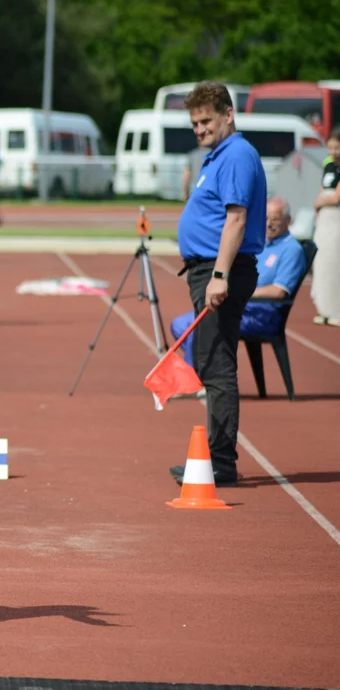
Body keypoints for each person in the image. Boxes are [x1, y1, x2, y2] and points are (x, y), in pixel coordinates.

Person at [169, 81, 266, 489]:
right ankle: (216, 457)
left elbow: (237, 219)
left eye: (206, 120)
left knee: (216, 363)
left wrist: (220, 275)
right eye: (194, 123)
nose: (200, 129)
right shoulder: (217, 156)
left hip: (219, 269)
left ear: (229, 114)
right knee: (212, 360)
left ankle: (221, 462)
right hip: (208, 268)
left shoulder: (237, 155)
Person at [170, 197, 306, 364]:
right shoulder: (260, 243)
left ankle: (198, 378)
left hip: (261, 315)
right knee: (179, 325)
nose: (269, 223)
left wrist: (241, 293)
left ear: (288, 220)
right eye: (265, 218)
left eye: (275, 219)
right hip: (242, 307)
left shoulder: (292, 249)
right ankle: (204, 371)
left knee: (199, 327)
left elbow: (279, 291)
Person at [311, 128, 340, 327]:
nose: (333, 152)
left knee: (334, 262)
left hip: (336, 218)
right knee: (321, 263)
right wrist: (318, 207)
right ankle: (325, 308)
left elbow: (336, 197)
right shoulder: (328, 164)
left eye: (337, 147)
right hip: (325, 218)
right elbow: (323, 190)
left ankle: (336, 309)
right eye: (330, 147)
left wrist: (322, 201)